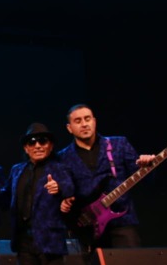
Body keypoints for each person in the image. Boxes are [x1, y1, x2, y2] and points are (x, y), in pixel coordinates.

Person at [0, 123, 74, 265]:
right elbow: (4, 197)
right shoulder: (17, 170)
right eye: (32, 142)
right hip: (24, 239)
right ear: (26, 147)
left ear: (50, 145)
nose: (38, 145)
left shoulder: (59, 168)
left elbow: (71, 188)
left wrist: (59, 189)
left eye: (43, 141)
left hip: (50, 237)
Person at [58, 104, 155, 252]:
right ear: (69, 128)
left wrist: (148, 166)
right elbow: (64, 194)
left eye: (87, 119)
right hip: (87, 229)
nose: (84, 124)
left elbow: (146, 180)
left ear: (94, 121)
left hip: (122, 224)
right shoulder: (62, 158)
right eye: (78, 121)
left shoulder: (119, 144)